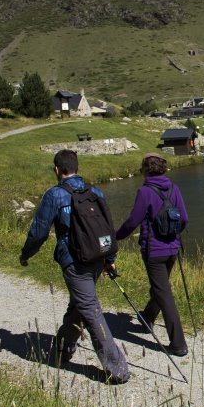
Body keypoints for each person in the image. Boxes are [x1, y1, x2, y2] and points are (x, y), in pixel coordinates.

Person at [19, 149, 130, 384]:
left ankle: (117, 369)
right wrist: (109, 260)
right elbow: (106, 228)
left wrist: (25, 254)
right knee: (79, 306)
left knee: (89, 308)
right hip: (97, 257)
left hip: (74, 262)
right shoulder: (95, 191)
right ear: (77, 167)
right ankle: (62, 350)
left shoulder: (54, 195)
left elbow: (39, 231)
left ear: (57, 170)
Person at [116, 152, 189, 357]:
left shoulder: (145, 191)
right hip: (173, 249)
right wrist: (173, 237)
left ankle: (178, 344)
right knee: (161, 287)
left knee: (163, 293)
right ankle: (147, 317)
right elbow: (184, 219)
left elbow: (132, 222)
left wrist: (115, 236)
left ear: (146, 170)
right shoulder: (174, 188)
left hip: (153, 252)